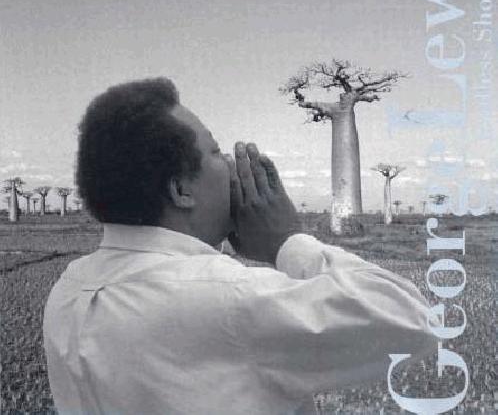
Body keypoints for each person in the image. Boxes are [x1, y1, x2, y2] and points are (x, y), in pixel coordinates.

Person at [43, 77, 438, 415]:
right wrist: (287, 241)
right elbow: (412, 319)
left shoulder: (69, 288)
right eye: (216, 152)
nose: (233, 167)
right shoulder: (227, 297)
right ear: (181, 191)